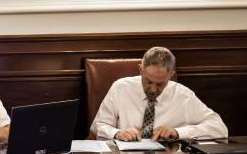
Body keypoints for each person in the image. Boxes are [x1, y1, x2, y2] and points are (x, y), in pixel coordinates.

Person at [90, 46, 228, 141]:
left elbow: (220, 128)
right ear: (140, 70)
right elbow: (98, 126)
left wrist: (178, 132)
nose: (153, 90)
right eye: (148, 81)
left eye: (161, 84)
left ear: (171, 75)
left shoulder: (183, 95)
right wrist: (117, 133)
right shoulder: (121, 87)